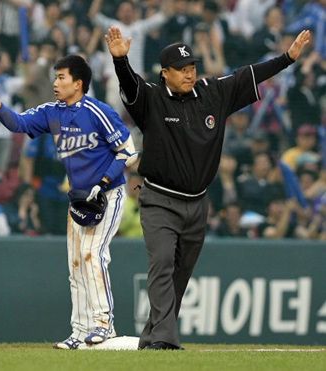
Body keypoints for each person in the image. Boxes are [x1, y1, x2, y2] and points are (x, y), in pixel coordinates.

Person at [104, 26, 311, 350]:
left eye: (193, 68)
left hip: (197, 204)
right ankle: (166, 340)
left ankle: (152, 338)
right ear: (165, 74)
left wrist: (286, 59)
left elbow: (248, 75)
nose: (189, 74)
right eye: (182, 70)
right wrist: (120, 62)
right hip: (159, 200)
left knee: (179, 277)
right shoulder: (153, 99)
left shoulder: (213, 92)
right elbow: (130, 87)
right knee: (161, 264)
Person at [0, 54, 138, 349]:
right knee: (76, 265)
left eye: (61, 78)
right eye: (55, 77)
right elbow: (17, 124)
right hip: (79, 200)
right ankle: (80, 331)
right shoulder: (52, 112)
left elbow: (129, 152)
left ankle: (104, 324)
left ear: (78, 83)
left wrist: (103, 182)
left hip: (109, 194)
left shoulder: (98, 111)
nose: (55, 83)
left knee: (94, 254)